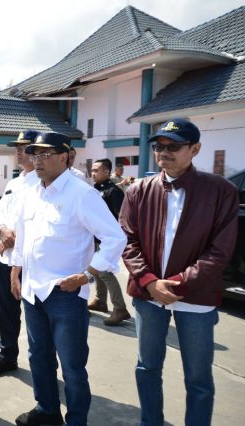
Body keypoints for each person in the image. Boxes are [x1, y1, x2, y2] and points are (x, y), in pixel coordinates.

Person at [119, 118, 239, 426]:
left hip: (196, 297)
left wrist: (176, 284)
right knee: (147, 368)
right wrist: (148, 282)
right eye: (160, 146)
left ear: (195, 149)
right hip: (148, 296)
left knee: (198, 376)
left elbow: (220, 250)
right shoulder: (138, 191)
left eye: (174, 146)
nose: (164, 152)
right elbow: (127, 240)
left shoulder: (221, 191)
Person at [11, 132, 126, 426]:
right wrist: (16, 268)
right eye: (34, 154)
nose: (37, 160)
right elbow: (23, 236)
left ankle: (76, 421)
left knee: (72, 367)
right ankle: (47, 410)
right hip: (33, 291)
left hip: (65, 294)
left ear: (65, 157)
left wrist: (88, 274)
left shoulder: (81, 194)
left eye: (45, 154)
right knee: (38, 356)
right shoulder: (31, 191)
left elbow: (115, 238)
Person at [0, 130, 40, 378]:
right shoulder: (14, 183)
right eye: (16, 147)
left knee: (38, 316)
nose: (18, 151)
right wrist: (3, 230)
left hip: (33, 261)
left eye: (24, 146)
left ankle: (44, 362)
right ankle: (7, 356)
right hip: (7, 260)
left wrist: (12, 239)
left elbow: (39, 222)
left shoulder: (44, 181)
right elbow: (0, 214)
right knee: (7, 312)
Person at [88, 158, 131, 326]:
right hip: (94, 238)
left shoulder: (114, 191)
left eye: (96, 170)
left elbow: (122, 217)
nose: (93, 173)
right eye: (92, 170)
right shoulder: (94, 190)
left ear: (107, 172)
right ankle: (100, 300)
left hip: (107, 240)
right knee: (96, 269)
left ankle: (120, 308)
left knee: (104, 272)